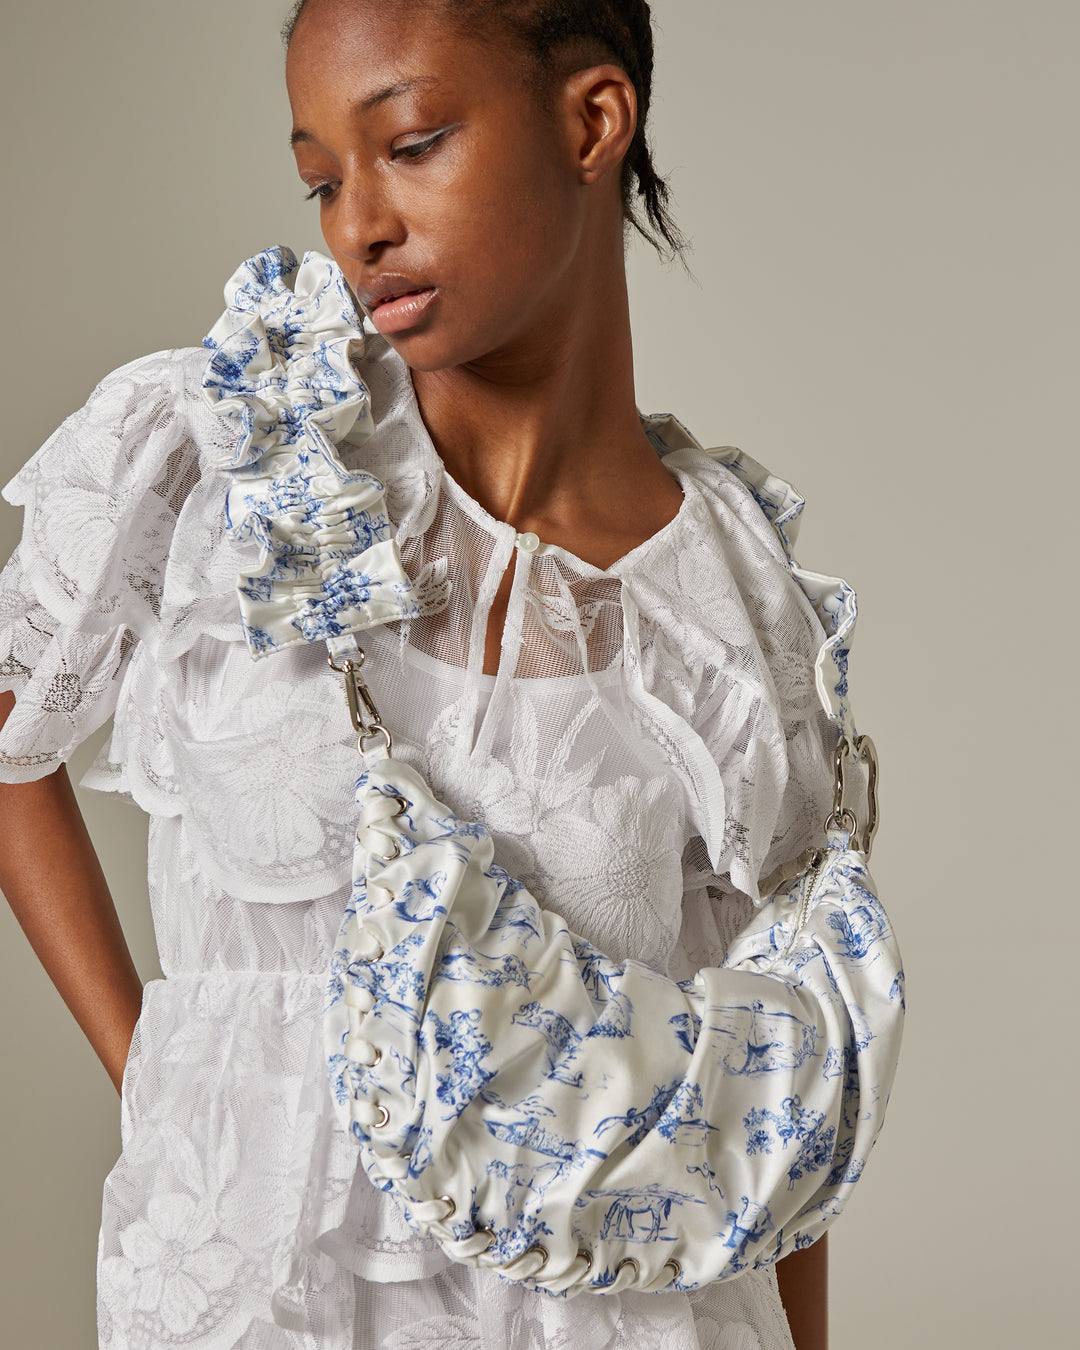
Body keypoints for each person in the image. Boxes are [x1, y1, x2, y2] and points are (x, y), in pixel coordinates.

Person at [0, 2, 902, 1347]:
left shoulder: (729, 609)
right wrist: (166, 1086)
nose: (358, 225)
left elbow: (773, 1104)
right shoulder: (244, 449)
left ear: (593, 120)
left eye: (412, 144)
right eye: (321, 179)